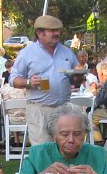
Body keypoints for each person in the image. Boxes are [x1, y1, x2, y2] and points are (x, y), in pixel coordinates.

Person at [9, 15, 84, 145]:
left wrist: (78, 76)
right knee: (43, 149)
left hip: (64, 109)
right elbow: (13, 79)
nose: (57, 33)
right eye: (52, 30)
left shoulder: (66, 52)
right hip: (39, 109)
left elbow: (75, 80)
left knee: (65, 149)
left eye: (58, 30)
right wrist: (28, 82)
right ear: (39, 33)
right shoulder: (27, 53)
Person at [91, 58, 107, 142]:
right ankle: (106, 138)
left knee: (89, 115)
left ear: (102, 72)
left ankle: (98, 141)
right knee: (98, 112)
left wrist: (93, 90)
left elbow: (99, 100)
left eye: (98, 73)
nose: (98, 76)